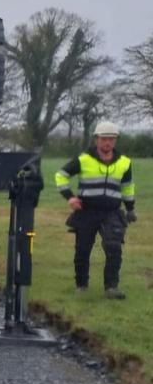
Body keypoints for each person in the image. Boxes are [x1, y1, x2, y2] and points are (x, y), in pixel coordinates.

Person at [55, 121, 136, 298]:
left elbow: (127, 187)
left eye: (111, 139)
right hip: (87, 211)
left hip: (112, 212)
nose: (107, 142)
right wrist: (70, 197)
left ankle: (111, 288)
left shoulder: (125, 162)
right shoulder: (83, 159)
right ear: (96, 139)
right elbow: (61, 175)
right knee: (82, 250)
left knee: (114, 249)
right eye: (104, 139)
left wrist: (130, 208)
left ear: (115, 140)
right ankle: (81, 286)